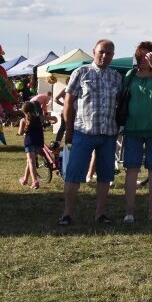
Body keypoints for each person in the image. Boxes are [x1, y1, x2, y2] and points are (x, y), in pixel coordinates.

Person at [59, 39, 123, 226]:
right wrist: (68, 130)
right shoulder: (81, 72)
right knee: (74, 174)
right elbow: (68, 104)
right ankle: (67, 214)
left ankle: (100, 214)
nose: (104, 56)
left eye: (109, 53)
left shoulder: (116, 77)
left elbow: (120, 104)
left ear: (113, 55)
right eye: (101, 51)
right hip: (83, 131)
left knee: (105, 176)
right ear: (94, 51)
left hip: (108, 133)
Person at [122, 41, 152, 224]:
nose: (143, 59)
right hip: (133, 128)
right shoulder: (130, 75)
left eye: (148, 56)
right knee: (131, 169)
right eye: (140, 56)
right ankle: (129, 212)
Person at [17, 101, 45, 189]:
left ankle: (35, 182)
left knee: (31, 161)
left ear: (23, 111)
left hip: (30, 142)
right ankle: (25, 179)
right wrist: (54, 120)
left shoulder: (23, 120)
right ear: (34, 109)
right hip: (39, 142)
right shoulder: (39, 117)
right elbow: (53, 118)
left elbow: (20, 133)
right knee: (30, 161)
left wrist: (20, 131)